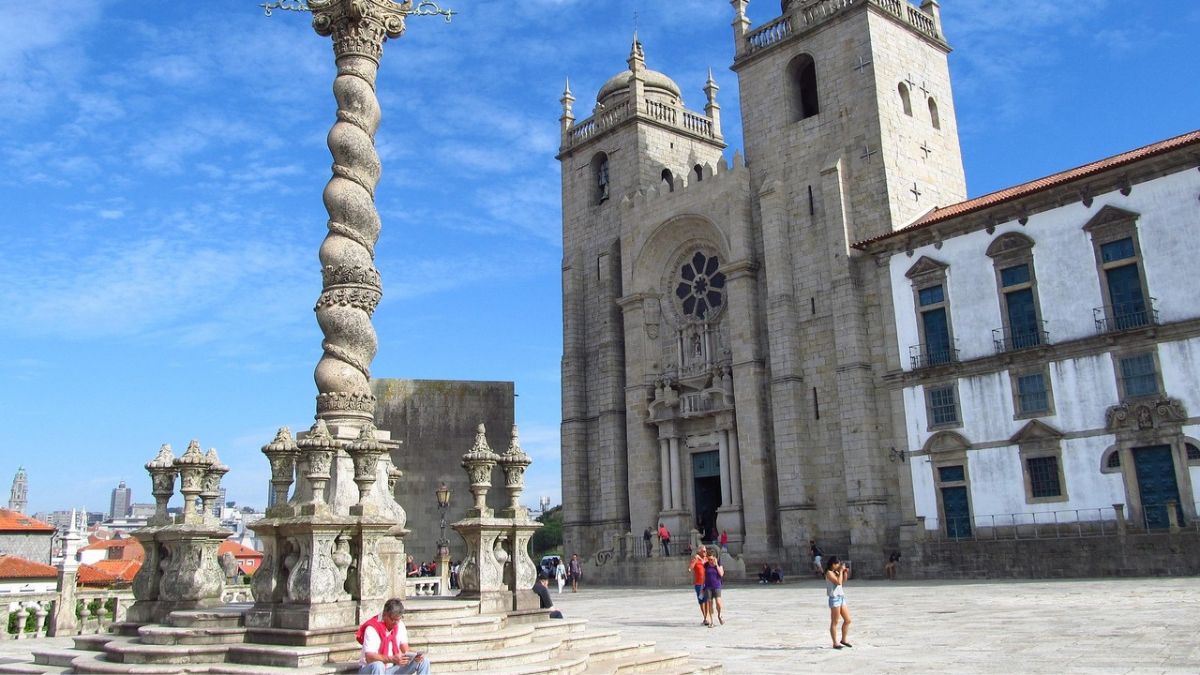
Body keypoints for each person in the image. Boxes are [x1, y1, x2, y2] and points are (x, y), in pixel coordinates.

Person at [357, 598, 429, 674]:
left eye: (398, 619)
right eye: (393, 620)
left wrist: (414, 657)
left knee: (424, 661)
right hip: (370, 670)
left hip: (391, 669)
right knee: (378, 665)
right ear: (385, 615)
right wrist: (392, 659)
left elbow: (406, 650)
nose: (396, 623)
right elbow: (369, 657)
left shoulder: (400, 624)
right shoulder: (372, 628)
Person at [825, 556, 852, 650]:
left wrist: (845, 572)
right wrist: (840, 571)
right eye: (837, 564)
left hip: (841, 597)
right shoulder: (829, 573)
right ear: (833, 564)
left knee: (848, 620)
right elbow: (838, 582)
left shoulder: (836, 571)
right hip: (834, 598)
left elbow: (843, 581)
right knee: (835, 621)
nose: (839, 566)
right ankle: (835, 643)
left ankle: (843, 639)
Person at [702, 547, 724, 626]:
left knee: (718, 602)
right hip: (708, 587)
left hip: (717, 586)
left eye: (711, 559)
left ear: (714, 558)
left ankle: (719, 615)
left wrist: (716, 565)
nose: (710, 561)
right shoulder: (706, 565)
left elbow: (721, 574)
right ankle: (712, 621)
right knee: (710, 604)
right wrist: (702, 587)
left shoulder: (718, 564)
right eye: (709, 559)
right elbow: (704, 576)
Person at [689, 548, 711, 626]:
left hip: (707, 584)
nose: (705, 552)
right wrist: (695, 560)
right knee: (701, 601)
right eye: (704, 551)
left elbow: (713, 564)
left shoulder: (707, 559)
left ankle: (707, 617)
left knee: (707, 600)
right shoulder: (696, 560)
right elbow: (690, 568)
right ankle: (705, 617)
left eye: (705, 551)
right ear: (699, 552)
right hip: (699, 584)